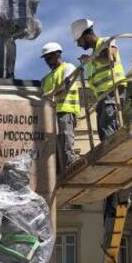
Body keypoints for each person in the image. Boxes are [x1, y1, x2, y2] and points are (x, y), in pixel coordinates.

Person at [70, 18, 127, 143]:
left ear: (85, 36)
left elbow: (110, 56)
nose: (78, 45)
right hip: (103, 97)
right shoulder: (92, 56)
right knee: (104, 132)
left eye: (79, 41)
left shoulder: (106, 41)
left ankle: (113, 157)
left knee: (109, 131)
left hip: (113, 92)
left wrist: (90, 59)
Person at [39, 41, 82, 170]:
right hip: (50, 116)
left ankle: (69, 166)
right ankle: (59, 170)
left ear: (58, 54)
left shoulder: (68, 67)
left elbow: (65, 86)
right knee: (53, 145)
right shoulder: (46, 79)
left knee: (65, 141)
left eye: (50, 57)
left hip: (66, 110)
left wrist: (49, 95)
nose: (48, 61)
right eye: (46, 59)